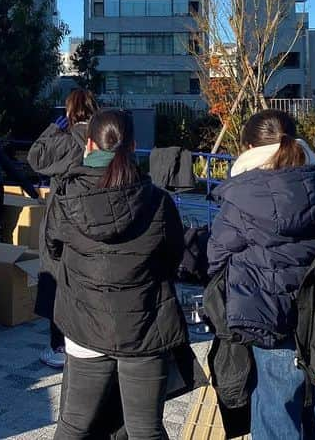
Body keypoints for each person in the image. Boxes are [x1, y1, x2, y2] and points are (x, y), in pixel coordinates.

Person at [207, 109, 315, 440]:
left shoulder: (240, 197)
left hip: (267, 314)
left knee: (274, 402)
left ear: (249, 147)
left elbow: (215, 256)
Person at [46, 109, 188, 440]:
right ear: (134, 145)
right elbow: (173, 257)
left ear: (89, 144)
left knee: (73, 424)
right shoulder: (157, 201)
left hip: (84, 324)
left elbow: (52, 253)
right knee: (145, 429)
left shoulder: (66, 199)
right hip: (144, 327)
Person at [28, 89, 99, 369]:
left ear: (69, 112)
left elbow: (36, 158)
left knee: (56, 280)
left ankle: (59, 345)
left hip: (62, 218)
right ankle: (90, 342)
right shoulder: (101, 140)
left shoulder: (66, 140)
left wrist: (50, 131)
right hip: (94, 218)